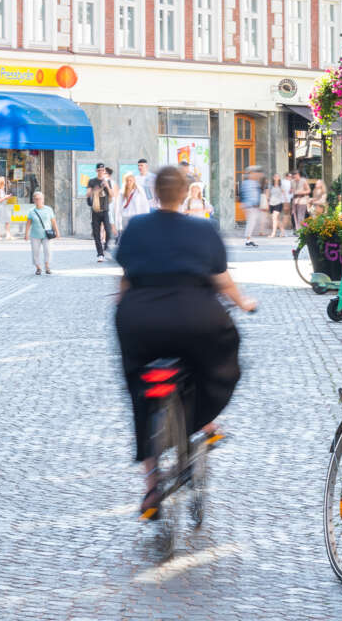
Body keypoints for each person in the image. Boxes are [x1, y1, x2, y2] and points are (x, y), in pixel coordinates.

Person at [112, 166, 256, 518]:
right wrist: (245, 303)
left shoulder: (136, 228)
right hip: (196, 318)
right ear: (186, 192)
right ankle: (204, 422)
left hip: (141, 322)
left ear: (155, 193)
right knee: (220, 360)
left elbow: (126, 279)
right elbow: (221, 279)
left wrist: (122, 311)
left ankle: (150, 485)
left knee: (139, 388)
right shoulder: (202, 228)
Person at [86, 165, 116, 261]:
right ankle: (100, 253)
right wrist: (95, 190)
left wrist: (106, 185)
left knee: (108, 230)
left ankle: (106, 249)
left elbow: (112, 195)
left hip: (105, 209)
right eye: (99, 170)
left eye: (103, 170)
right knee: (96, 233)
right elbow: (87, 194)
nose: (101, 172)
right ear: (96, 170)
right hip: (95, 209)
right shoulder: (92, 181)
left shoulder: (107, 181)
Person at [26, 189, 56, 275]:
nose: (38, 200)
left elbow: (53, 221)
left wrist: (57, 232)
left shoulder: (48, 209)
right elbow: (28, 224)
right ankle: (38, 268)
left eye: (40, 198)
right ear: (34, 200)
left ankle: (47, 266)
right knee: (35, 252)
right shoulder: (31, 211)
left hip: (47, 234)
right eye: (36, 199)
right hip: (35, 235)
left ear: (43, 199)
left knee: (48, 250)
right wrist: (26, 234)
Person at [239, 166, 267, 247]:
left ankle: (249, 239)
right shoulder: (247, 183)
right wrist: (244, 204)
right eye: (254, 173)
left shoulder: (254, 183)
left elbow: (257, 194)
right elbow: (242, 194)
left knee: (253, 222)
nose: (256, 175)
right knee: (251, 223)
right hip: (249, 206)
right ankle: (248, 240)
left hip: (253, 206)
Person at [265, 173, 289, 239]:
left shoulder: (281, 186)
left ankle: (273, 233)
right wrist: (267, 203)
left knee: (274, 218)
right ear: (273, 178)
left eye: (278, 176)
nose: (276, 177)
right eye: (275, 176)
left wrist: (286, 204)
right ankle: (283, 231)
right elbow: (268, 195)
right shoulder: (271, 186)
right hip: (271, 203)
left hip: (279, 203)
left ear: (279, 178)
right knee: (276, 219)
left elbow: (285, 195)